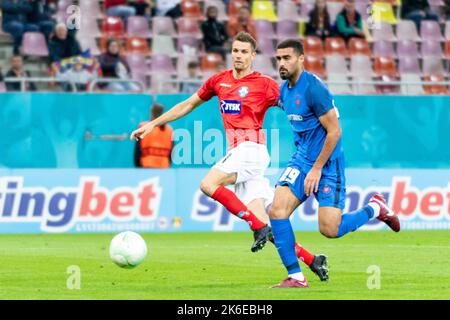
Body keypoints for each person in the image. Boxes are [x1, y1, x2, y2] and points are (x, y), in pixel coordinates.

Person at [131, 32, 329, 281]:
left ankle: (256, 227)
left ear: (253, 56)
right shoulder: (218, 81)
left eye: (244, 52)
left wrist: (316, 127)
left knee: (208, 184)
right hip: (240, 155)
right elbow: (187, 104)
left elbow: (294, 106)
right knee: (269, 228)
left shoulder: (264, 84)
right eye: (235, 51)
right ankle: (311, 262)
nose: (239, 55)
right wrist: (153, 124)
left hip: (252, 149)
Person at [270, 39, 400, 288]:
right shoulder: (284, 90)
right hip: (301, 160)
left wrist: (317, 169)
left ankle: (374, 208)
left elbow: (334, 131)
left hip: (328, 164)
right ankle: (296, 277)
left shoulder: (314, 88)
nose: (282, 63)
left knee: (330, 228)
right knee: (277, 210)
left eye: (287, 58)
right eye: (278, 59)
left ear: (301, 58)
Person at [134, 103, 173, 168]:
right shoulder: (169, 130)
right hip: (164, 166)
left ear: (152, 113)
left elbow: (137, 151)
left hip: (146, 166)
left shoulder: (143, 127)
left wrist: (138, 167)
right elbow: (171, 153)